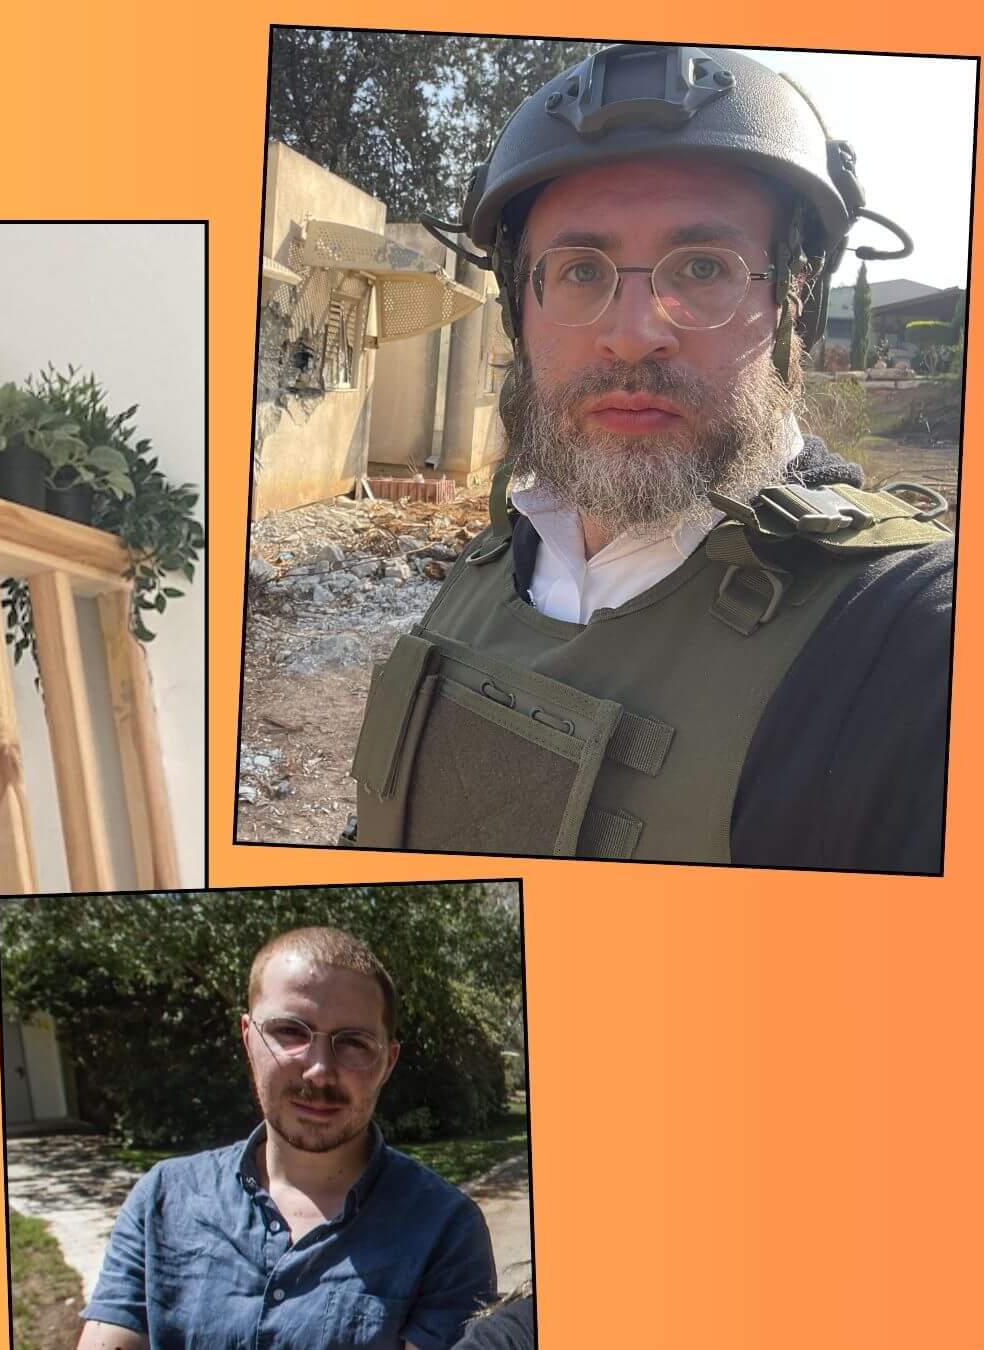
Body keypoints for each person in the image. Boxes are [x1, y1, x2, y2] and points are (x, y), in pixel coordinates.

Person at [352, 42, 952, 871]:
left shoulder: (915, 644)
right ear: (519, 311)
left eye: (704, 267)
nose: (634, 332)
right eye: (579, 270)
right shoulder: (491, 565)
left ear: (791, 304)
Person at [79, 928, 496, 1350]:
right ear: (248, 1038)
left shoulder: (446, 1231)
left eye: (353, 1042)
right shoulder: (163, 1200)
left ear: (388, 1062)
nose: (319, 1070)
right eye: (290, 1032)